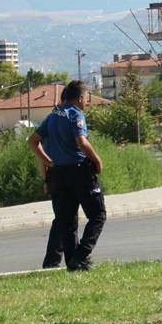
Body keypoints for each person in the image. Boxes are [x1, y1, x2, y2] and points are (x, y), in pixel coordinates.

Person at [27, 80, 106, 271]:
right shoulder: (75, 114)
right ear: (80, 98)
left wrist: (48, 163)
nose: (86, 103)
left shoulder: (52, 115)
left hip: (57, 175)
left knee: (67, 221)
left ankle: (73, 263)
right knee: (98, 215)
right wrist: (97, 160)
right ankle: (81, 255)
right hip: (79, 171)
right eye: (86, 99)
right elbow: (81, 141)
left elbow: (32, 141)